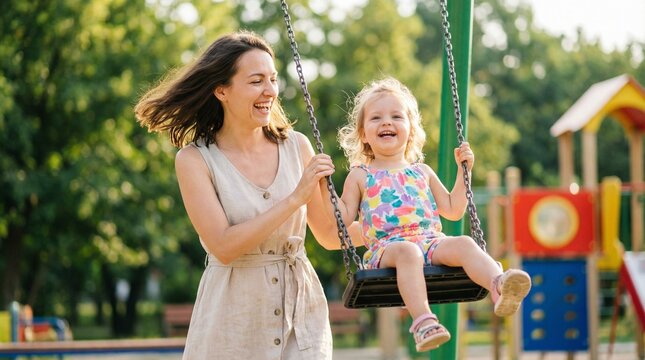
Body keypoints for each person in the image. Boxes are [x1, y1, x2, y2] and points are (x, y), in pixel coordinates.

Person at [135, 30, 338, 359]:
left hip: (300, 313)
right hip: (232, 318)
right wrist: (293, 199)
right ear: (221, 90)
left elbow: (329, 234)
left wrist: (396, 226)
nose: (269, 90)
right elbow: (224, 246)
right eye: (256, 80)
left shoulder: (297, 145)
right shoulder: (196, 160)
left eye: (272, 79)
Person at [323, 77, 531, 352]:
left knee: (465, 243)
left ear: (410, 129)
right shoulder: (360, 175)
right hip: (387, 249)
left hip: (430, 241)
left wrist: (463, 171)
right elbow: (344, 217)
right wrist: (324, 186)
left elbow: (453, 210)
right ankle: (423, 322)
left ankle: (499, 284)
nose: (387, 122)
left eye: (396, 116)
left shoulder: (422, 171)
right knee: (409, 252)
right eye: (376, 118)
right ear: (363, 133)